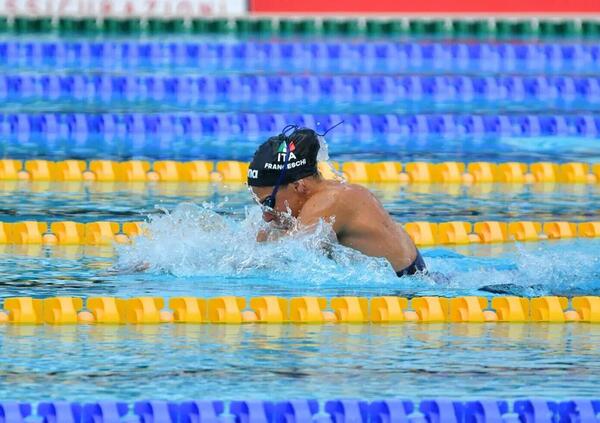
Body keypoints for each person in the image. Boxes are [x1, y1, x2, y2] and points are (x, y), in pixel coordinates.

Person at [247, 125, 427, 277]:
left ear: (298, 186)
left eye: (268, 203)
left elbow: (286, 258)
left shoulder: (331, 201)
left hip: (408, 296)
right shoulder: (321, 198)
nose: (267, 217)